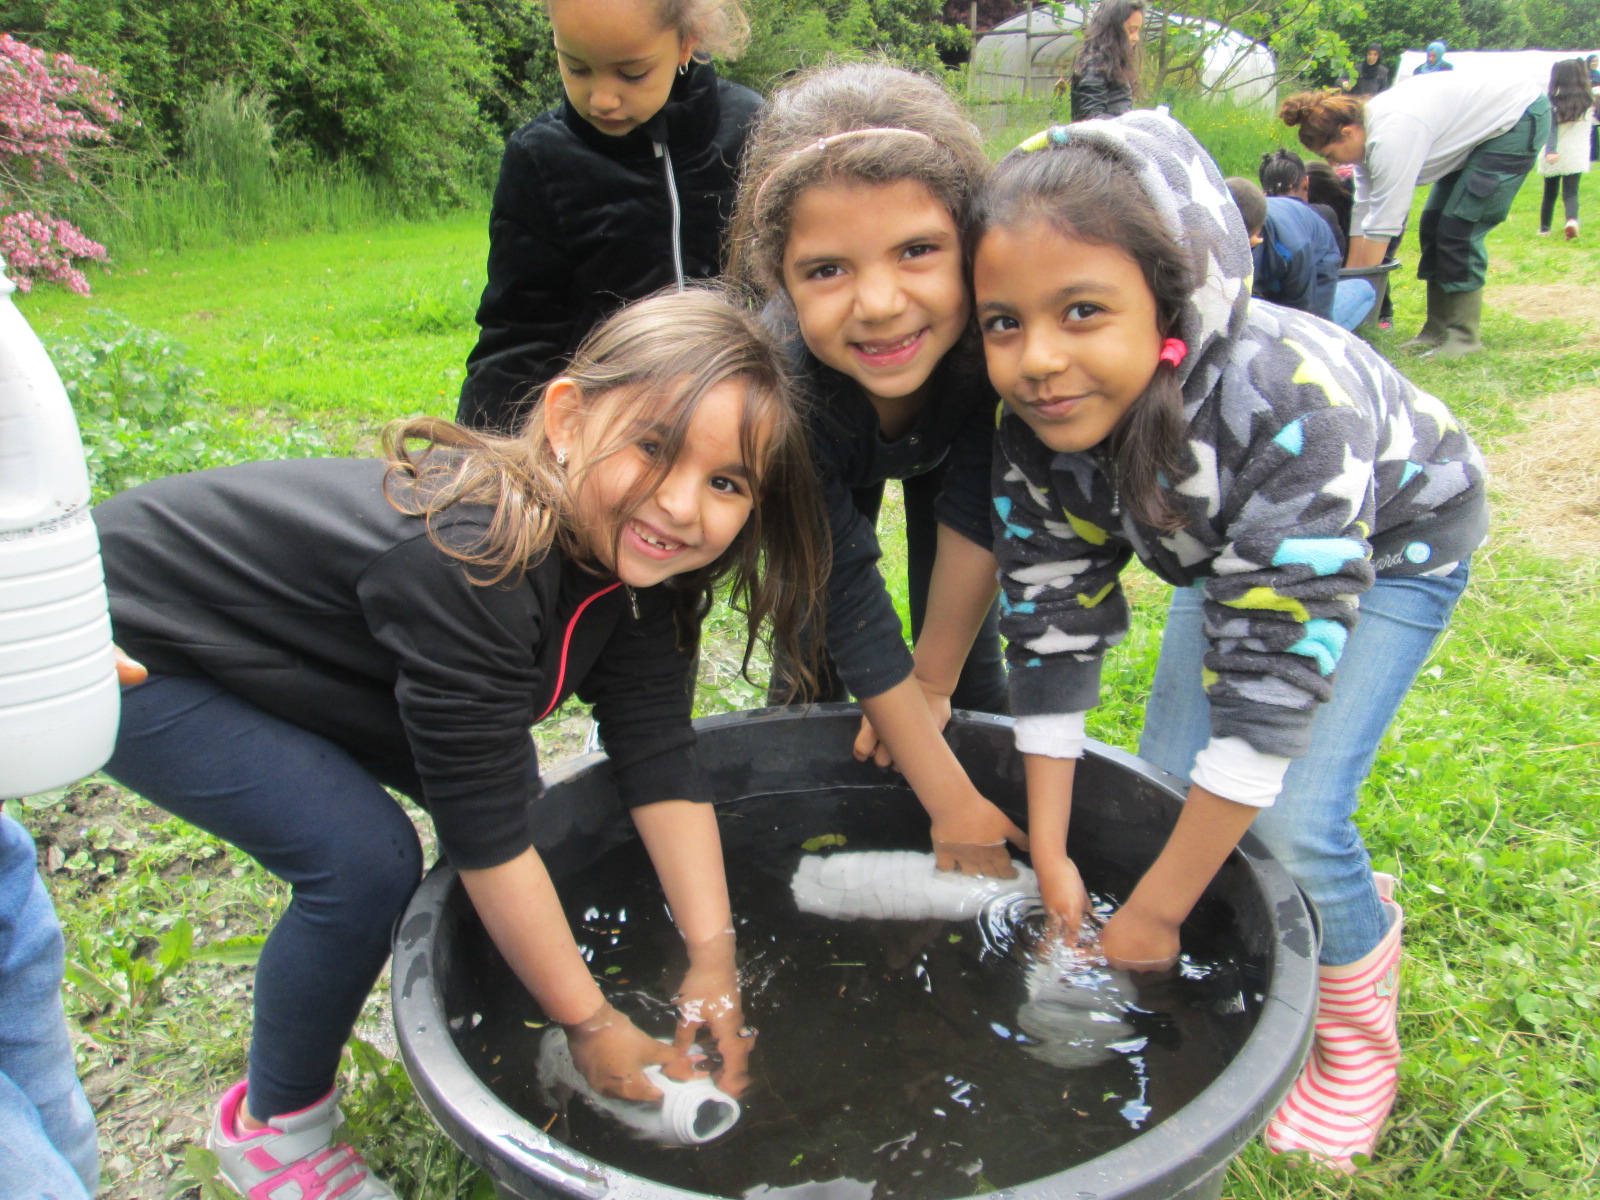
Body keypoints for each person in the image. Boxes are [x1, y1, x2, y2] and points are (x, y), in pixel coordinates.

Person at [94, 289, 828, 1199]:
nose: (681, 505)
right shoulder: (479, 563)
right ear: (566, 420)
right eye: (653, 447)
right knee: (363, 862)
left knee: (515, 831)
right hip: (122, 648)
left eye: (726, 483)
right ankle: (274, 1133)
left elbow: (658, 758)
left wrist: (713, 962)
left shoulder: (636, 570)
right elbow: (486, 834)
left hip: (281, 655)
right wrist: (591, 1022)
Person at [973, 114, 1486, 1171]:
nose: (1039, 361)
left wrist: (1151, 916)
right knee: (1173, 791)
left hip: (1394, 542)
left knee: (1291, 820)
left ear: (1170, 302)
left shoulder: (1285, 400)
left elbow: (1268, 693)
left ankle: (1353, 1046)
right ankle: (1301, 903)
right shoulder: (1032, 435)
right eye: (1002, 323)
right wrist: (1054, 858)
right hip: (1229, 557)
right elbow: (1050, 630)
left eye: (1081, 310)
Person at [726, 63, 1028, 878]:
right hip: (827, 435)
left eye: (918, 251)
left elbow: (978, 510)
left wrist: (933, 682)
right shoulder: (780, 385)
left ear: (972, 244)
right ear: (778, 276)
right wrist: (947, 803)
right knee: (812, 656)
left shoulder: (992, 345)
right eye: (827, 269)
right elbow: (844, 589)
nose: (881, 303)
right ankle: (791, 849)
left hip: (950, 440)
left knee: (968, 669)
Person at [458, 0, 762, 434]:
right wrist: (481, 455)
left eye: (632, 73)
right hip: (604, 438)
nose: (602, 99)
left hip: (739, 432)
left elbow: (788, 304)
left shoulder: (752, 130)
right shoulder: (541, 159)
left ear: (687, 43)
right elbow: (519, 335)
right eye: (576, 68)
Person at [1281, 74, 1550, 357]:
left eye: (1330, 154)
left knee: (1458, 228)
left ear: (1348, 133)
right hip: (1482, 127)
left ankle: (1463, 337)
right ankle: (1437, 330)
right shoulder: (1367, 138)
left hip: (1516, 118)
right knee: (1433, 224)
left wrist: (1360, 293)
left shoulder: (1392, 136)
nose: (1332, 164)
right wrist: (1352, 279)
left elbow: (1385, 221)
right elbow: (1364, 208)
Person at [1255, 150, 1379, 330]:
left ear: (1263, 191)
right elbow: (1335, 268)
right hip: (1304, 319)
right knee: (1364, 288)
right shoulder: (1321, 216)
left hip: (1263, 311)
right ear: (1306, 183)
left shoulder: (1254, 218)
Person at [1227, 175, 1344, 322]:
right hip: (1279, 242)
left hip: (1319, 255)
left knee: (1315, 321)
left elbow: (1301, 309)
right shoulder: (1212, 230)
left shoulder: (1294, 248)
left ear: (1255, 238)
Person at [1537, 58, 1597, 239]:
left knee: (1549, 193)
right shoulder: (1588, 101)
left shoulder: (1552, 101)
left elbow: (1551, 128)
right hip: (1577, 152)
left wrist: (1550, 150)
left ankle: (1544, 229)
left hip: (1555, 152)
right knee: (1571, 192)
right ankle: (1571, 220)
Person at [1069, 0, 1144, 122]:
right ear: (1113, 29)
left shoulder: (1114, 64)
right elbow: (1090, 120)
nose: (1136, 38)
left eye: (1137, 31)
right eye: (1131, 30)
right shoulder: (1094, 65)